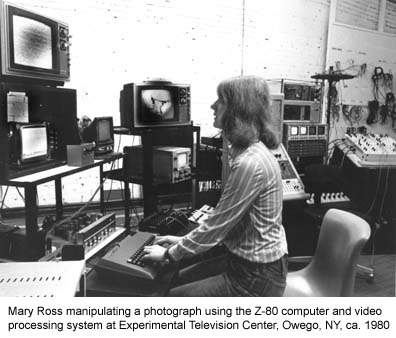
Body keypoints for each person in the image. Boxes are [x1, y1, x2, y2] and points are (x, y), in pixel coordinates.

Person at [141, 75, 288, 296]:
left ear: (238, 109)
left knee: (172, 295)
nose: (213, 105)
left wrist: (169, 254)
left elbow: (218, 227)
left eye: (220, 100)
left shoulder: (251, 163)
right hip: (242, 263)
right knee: (174, 278)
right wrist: (181, 242)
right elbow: (224, 224)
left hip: (256, 277)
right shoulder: (248, 153)